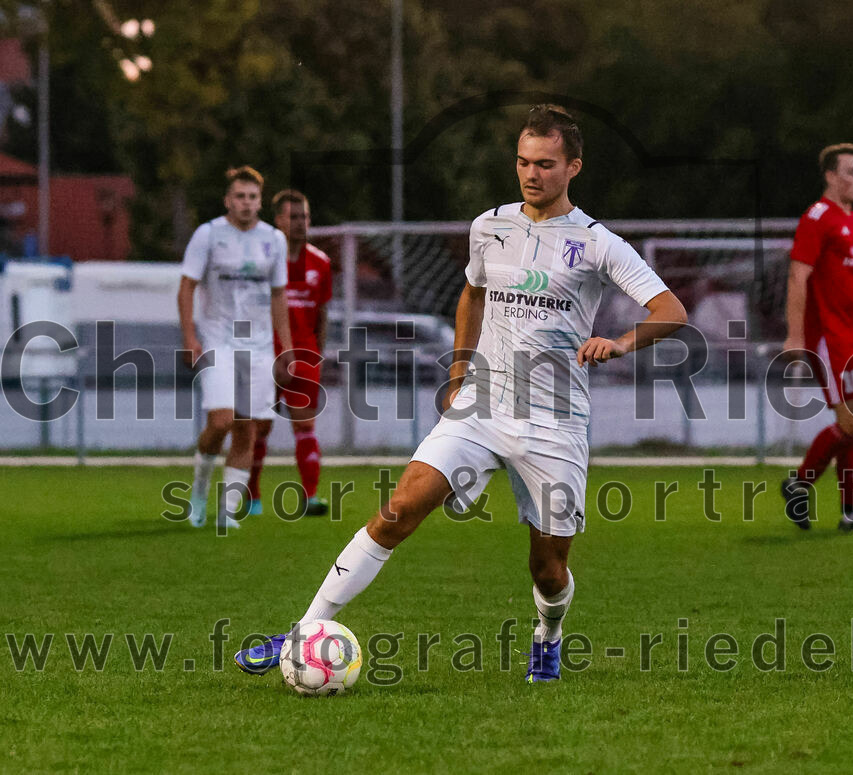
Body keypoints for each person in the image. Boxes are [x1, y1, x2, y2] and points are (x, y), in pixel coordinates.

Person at [234, 105, 687, 681]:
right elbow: (471, 295)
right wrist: (457, 374)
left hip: (555, 420)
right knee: (397, 512)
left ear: (574, 166)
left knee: (548, 570)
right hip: (482, 404)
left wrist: (621, 343)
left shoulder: (598, 244)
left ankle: (548, 635)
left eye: (546, 164)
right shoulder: (488, 226)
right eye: (523, 161)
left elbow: (671, 310)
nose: (531, 174)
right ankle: (301, 631)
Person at [780, 143, 853, 532]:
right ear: (830, 175)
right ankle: (799, 482)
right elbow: (798, 275)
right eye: (850, 172)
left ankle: (852, 513)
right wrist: (795, 335)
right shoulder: (818, 216)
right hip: (833, 336)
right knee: (852, 422)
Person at [178, 166, 293, 529]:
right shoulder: (208, 234)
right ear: (228, 200)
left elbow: (278, 296)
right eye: (240, 196)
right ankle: (198, 491)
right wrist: (189, 337)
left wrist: (286, 348)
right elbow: (186, 287)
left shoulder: (274, 239)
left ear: (260, 202)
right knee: (222, 420)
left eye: (252, 197)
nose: (246, 203)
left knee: (249, 428)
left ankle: (227, 514)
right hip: (218, 340)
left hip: (258, 346)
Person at [245, 190, 332, 518]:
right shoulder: (264, 260)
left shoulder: (320, 262)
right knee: (259, 428)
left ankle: (310, 496)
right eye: (293, 217)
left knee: (305, 427)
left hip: (305, 355)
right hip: (266, 354)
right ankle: (252, 495)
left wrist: (315, 353)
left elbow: (322, 313)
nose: (300, 223)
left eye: (305, 217)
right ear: (278, 220)